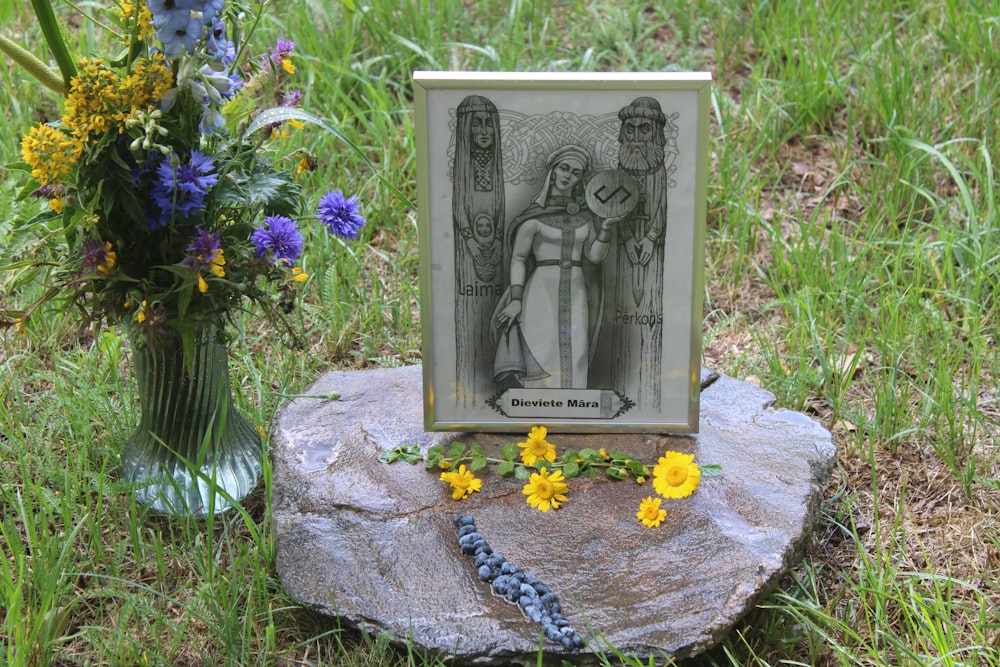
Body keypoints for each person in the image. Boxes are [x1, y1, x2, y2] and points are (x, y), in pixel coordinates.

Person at [492, 144, 620, 389]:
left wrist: (605, 229)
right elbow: (518, 258)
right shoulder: (534, 217)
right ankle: (538, 409)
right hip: (539, 289)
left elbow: (594, 256)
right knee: (541, 343)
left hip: (576, 290)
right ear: (553, 170)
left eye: (576, 172)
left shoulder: (586, 216)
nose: (568, 176)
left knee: (576, 344)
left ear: (581, 179)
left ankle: (572, 407)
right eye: (564, 168)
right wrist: (516, 300)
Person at [607, 97, 674, 408]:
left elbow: (660, 209)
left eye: (643, 130)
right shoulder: (620, 173)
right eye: (630, 130)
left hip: (650, 250)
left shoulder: (657, 172)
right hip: (623, 251)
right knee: (621, 318)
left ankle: (649, 393)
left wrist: (650, 238)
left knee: (647, 313)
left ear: (656, 135)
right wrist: (625, 238)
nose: (635, 138)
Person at [452, 95, 505, 407]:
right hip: (469, 250)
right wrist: (471, 241)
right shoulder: (464, 167)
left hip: (493, 247)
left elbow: (498, 203)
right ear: (466, 130)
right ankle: (468, 395)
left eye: (489, 124)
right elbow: (460, 205)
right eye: (477, 124)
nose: (484, 131)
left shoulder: (494, 165)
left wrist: (496, 238)